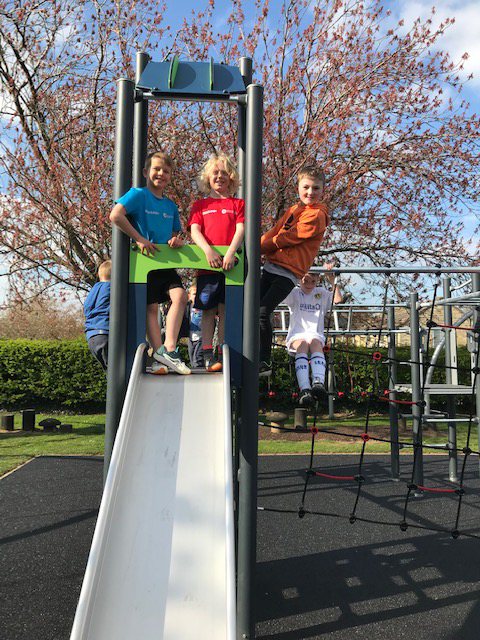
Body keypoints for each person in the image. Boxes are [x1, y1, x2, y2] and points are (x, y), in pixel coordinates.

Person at [109, 150, 190, 375]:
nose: (161, 174)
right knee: (151, 307)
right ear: (146, 172)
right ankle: (158, 355)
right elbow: (116, 215)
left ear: (171, 176)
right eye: (156, 169)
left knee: (180, 296)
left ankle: (169, 349)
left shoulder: (171, 206)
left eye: (166, 171)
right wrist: (139, 238)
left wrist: (177, 240)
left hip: (165, 263)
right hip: (145, 262)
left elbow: (175, 234)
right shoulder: (138, 195)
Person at [259, 165, 330, 376]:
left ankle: (264, 360)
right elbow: (276, 231)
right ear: (298, 188)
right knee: (252, 310)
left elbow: (288, 238)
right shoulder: (292, 210)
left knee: (263, 312)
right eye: (306, 187)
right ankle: (250, 351)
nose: (310, 192)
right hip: (271, 266)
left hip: (288, 272)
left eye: (315, 188)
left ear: (323, 190)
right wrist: (256, 243)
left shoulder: (317, 214)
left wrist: (259, 247)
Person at [188, 153, 245, 372]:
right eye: (215, 173)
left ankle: (223, 352)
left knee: (225, 309)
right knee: (208, 310)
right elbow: (195, 230)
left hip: (230, 267)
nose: (219, 176)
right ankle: (206, 353)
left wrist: (230, 253)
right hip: (208, 267)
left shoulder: (237, 204)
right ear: (208, 178)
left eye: (224, 173)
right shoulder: (200, 205)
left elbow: (240, 229)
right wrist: (208, 251)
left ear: (231, 177)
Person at [285, 266, 342, 407]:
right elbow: (280, 294)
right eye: (306, 281)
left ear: (318, 280)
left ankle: (318, 382)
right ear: (300, 279)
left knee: (316, 343)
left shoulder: (321, 293)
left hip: (315, 334)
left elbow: (338, 300)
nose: (309, 285)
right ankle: (305, 389)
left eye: (313, 281)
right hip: (297, 335)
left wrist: (332, 280)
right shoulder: (294, 293)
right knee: (303, 344)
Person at [84, 260, 111, 371]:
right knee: (118, 372)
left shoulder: (94, 290)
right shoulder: (112, 287)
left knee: (110, 372)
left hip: (92, 336)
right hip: (104, 333)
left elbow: (87, 309)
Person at [187, 284, 204, 368]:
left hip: (201, 338)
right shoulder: (187, 307)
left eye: (198, 294)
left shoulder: (203, 307)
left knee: (197, 359)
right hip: (191, 338)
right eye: (194, 294)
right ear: (189, 296)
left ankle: (199, 374)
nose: (196, 297)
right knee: (191, 357)